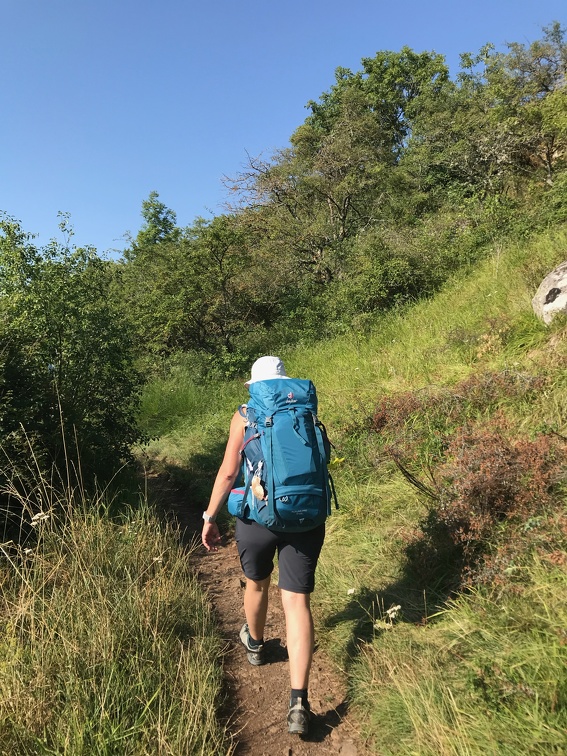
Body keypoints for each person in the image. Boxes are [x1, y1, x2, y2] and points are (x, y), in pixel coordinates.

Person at [201, 355, 326, 736]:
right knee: (297, 601)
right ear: (285, 381)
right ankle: (299, 701)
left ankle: (255, 644)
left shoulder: (245, 413)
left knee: (257, 583)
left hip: (257, 518)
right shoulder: (304, 408)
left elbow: (227, 472)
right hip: (305, 516)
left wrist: (209, 517)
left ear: (255, 385)